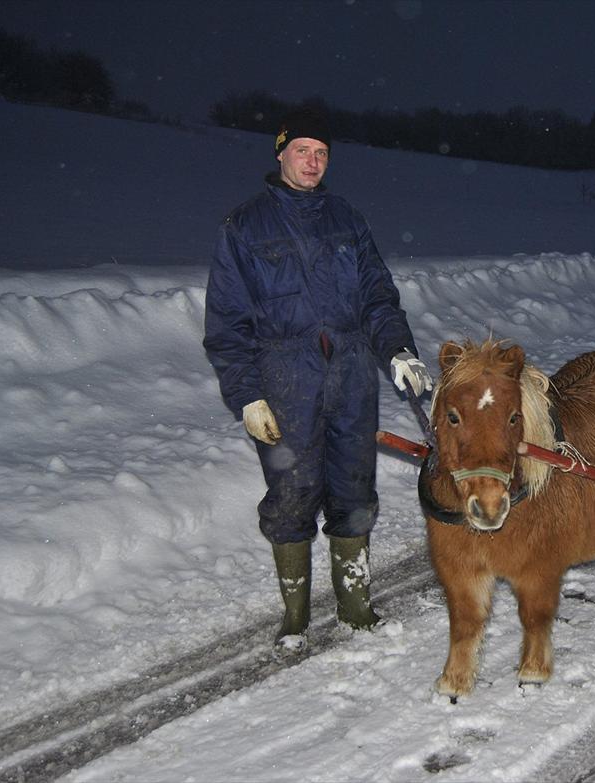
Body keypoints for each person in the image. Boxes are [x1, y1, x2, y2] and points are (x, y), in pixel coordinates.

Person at [203, 108, 433, 652]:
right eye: (302, 150)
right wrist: (247, 395)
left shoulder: (346, 219)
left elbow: (378, 296)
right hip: (284, 378)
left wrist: (398, 349)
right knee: (292, 492)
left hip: (352, 374)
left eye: (322, 152)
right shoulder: (245, 226)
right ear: (281, 154)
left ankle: (356, 608)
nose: (313, 161)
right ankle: (296, 617)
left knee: (354, 488)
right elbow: (227, 323)